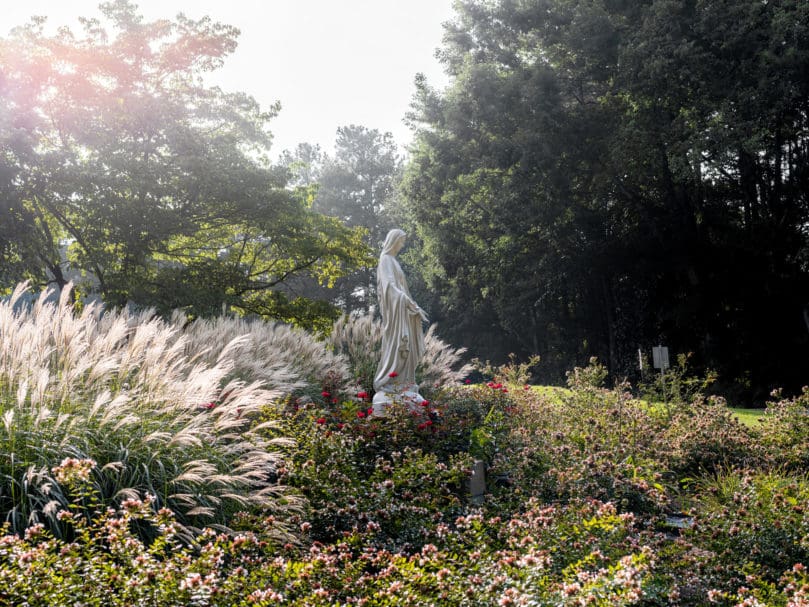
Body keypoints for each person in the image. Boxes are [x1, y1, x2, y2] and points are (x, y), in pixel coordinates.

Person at [373, 229, 428, 400]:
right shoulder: (385, 259)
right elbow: (389, 286)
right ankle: (391, 383)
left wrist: (412, 305)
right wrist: (404, 300)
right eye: (401, 241)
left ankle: (405, 383)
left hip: (403, 311)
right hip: (396, 314)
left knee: (408, 348)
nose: (402, 245)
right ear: (393, 240)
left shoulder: (393, 261)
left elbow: (401, 288)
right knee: (398, 346)